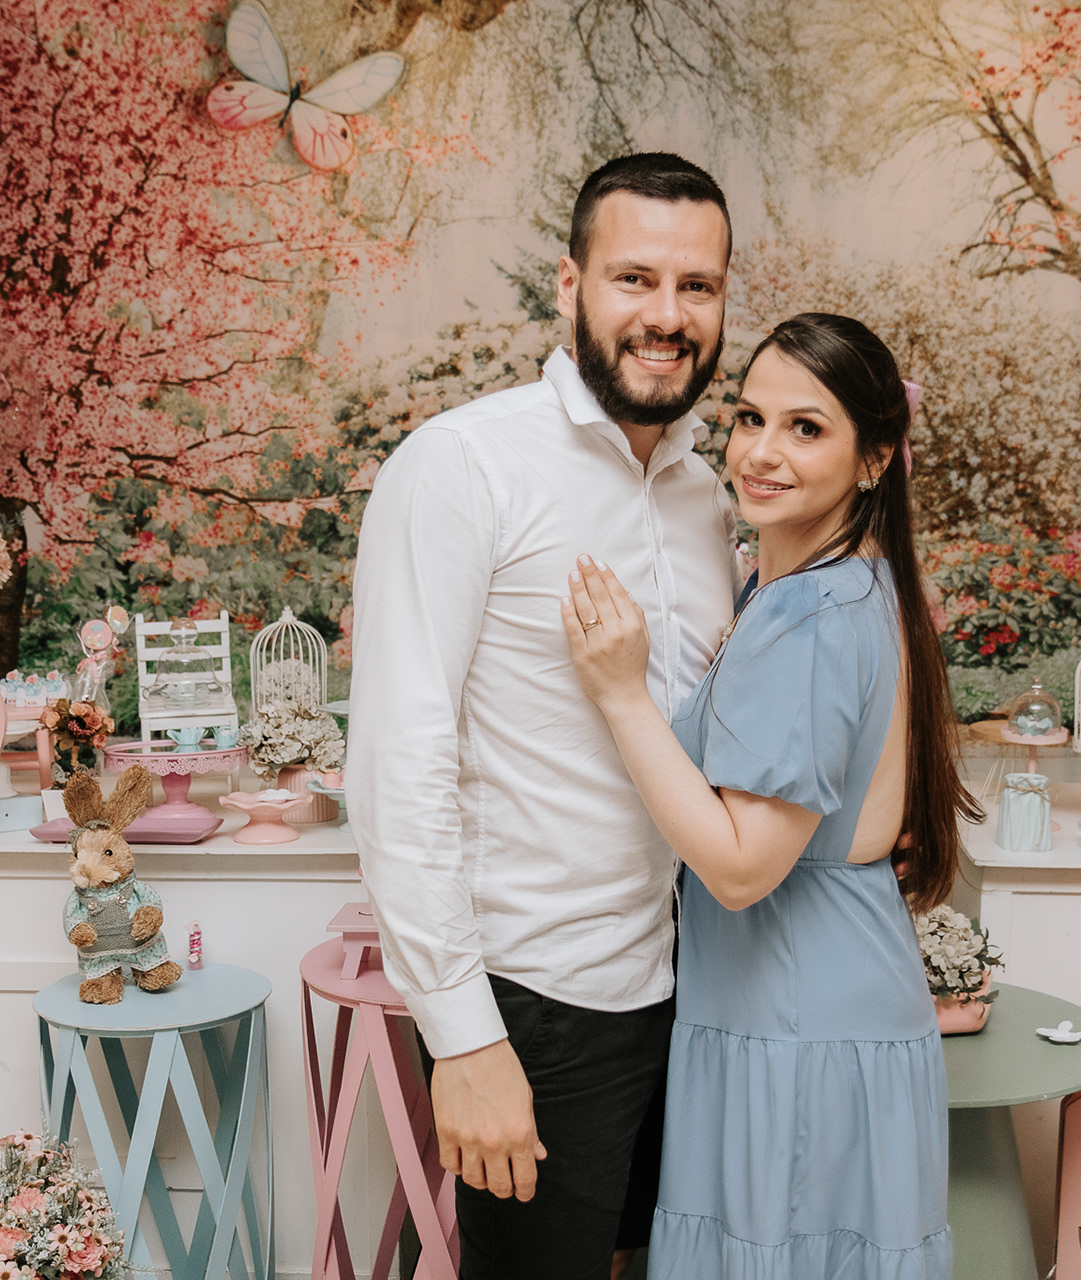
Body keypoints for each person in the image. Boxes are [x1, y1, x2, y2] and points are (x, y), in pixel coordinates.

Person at [345, 153, 739, 1278]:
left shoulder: (711, 496)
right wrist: (464, 1035)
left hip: (685, 984)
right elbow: (398, 762)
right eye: (634, 278)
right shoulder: (462, 464)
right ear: (570, 286)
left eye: (697, 286)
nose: (667, 315)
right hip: (529, 1002)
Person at [564, 312, 979, 1276]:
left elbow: (744, 868)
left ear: (875, 459)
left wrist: (622, 695)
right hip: (815, 1002)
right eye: (751, 418)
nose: (761, 451)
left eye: (806, 428)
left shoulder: (810, 615)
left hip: (795, 1019)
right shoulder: (847, 586)